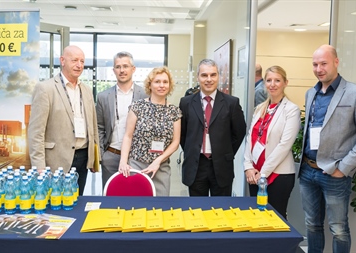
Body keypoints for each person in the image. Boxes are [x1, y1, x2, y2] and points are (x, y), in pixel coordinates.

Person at [299, 45, 356, 253]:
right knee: (312, 225)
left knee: (339, 229)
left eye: (323, 63)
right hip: (308, 170)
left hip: (334, 173)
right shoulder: (311, 93)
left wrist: (344, 168)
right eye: (315, 64)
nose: (319, 69)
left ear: (336, 62)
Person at [28, 45, 100, 196]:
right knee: (56, 206)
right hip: (56, 160)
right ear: (62, 61)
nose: (79, 65)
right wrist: (39, 167)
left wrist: (94, 158)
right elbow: (36, 132)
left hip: (83, 157)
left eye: (82, 61)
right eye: (74, 60)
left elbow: (93, 125)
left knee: (77, 201)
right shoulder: (45, 88)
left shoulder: (86, 90)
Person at [179, 59, 246, 196]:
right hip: (196, 166)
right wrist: (192, 150)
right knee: (197, 211)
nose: (209, 79)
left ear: (218, 76)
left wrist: (225, 152)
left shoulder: (231, 103)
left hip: (221, 166)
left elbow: (239, 133)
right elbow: (182, 134)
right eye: (204, 75)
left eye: (213, 75)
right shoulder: (186, 103)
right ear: (198, 77)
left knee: (221, 211)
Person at [243, 65, 300, 219]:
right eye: (268, 80)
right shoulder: (260, 108)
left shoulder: (291, 110)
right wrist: (248, 167)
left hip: (278, 175)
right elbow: (250, 138)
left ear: (285, 83)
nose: (272, 84)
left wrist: (263, 173)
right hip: (255, 174)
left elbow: (284, 145)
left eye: (277, 80)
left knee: (275, 218)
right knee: (256, 217)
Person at [118, 66, 182, 196]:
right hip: (136, 165)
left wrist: (157, 161)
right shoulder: (138, 107)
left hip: (161, 167)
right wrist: (123, 161)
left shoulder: (174, 112)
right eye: (157, 81)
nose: (161, 85)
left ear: (169, 85)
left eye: (165, 82)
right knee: (136, 207)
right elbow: (128, 136)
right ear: (150, 85)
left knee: (160, 208)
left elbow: (175, 142)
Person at [96, 51, 148, 189]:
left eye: (125, 66)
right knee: (110, 198)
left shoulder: (145, 95)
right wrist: (102, 156)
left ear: (133, 69)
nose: (122, 70)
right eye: (118, 67)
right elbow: (99, 127)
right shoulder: (103, 96)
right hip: (111, 157)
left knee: (136, 198)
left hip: (137, 158)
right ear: (114, 70)